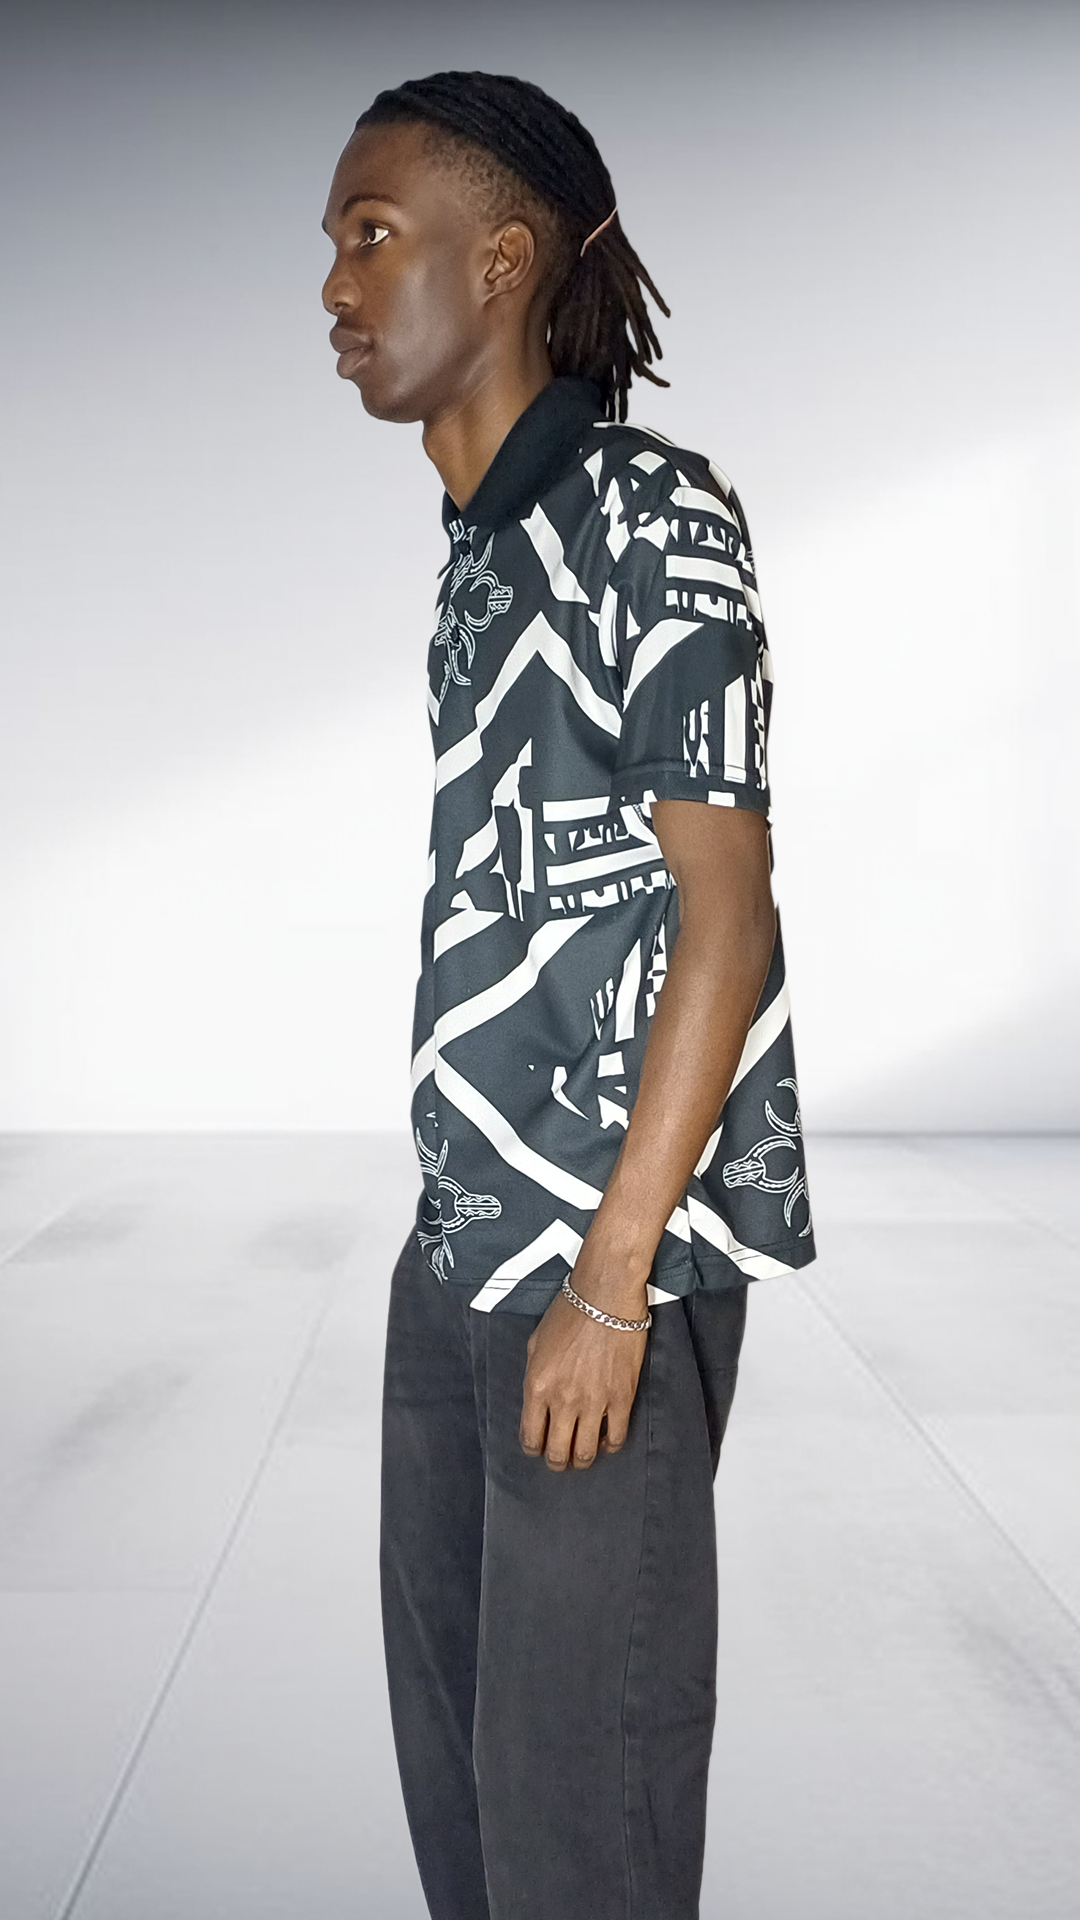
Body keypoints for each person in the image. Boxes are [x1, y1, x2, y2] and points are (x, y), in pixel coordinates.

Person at [321, 68, 817, 1920]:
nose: (336, 286)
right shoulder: (482, 550)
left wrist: (609, 1285)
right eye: (333, 246)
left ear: (504, 260)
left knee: (577, 1817)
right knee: (462, 1788)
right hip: (460, 1242)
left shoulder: (648, 514)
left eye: (374, 235)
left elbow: (726, 914)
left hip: (603, 1268)